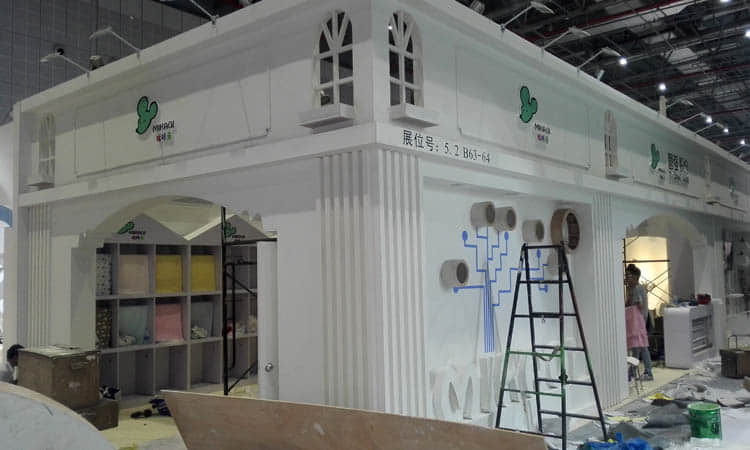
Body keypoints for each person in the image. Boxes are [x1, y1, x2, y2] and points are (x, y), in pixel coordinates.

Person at [625, 264, 653, 381]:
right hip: (633, 322)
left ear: (635, 277)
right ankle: (632, 371)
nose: (627, 278)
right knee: (635, 347)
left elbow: (638, 305)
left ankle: (648, 372)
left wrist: (630, 297)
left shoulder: (638, 289)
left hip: (639, 321)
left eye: (629, 276)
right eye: (626, 275)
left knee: (642, 346)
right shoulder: (631, 289)